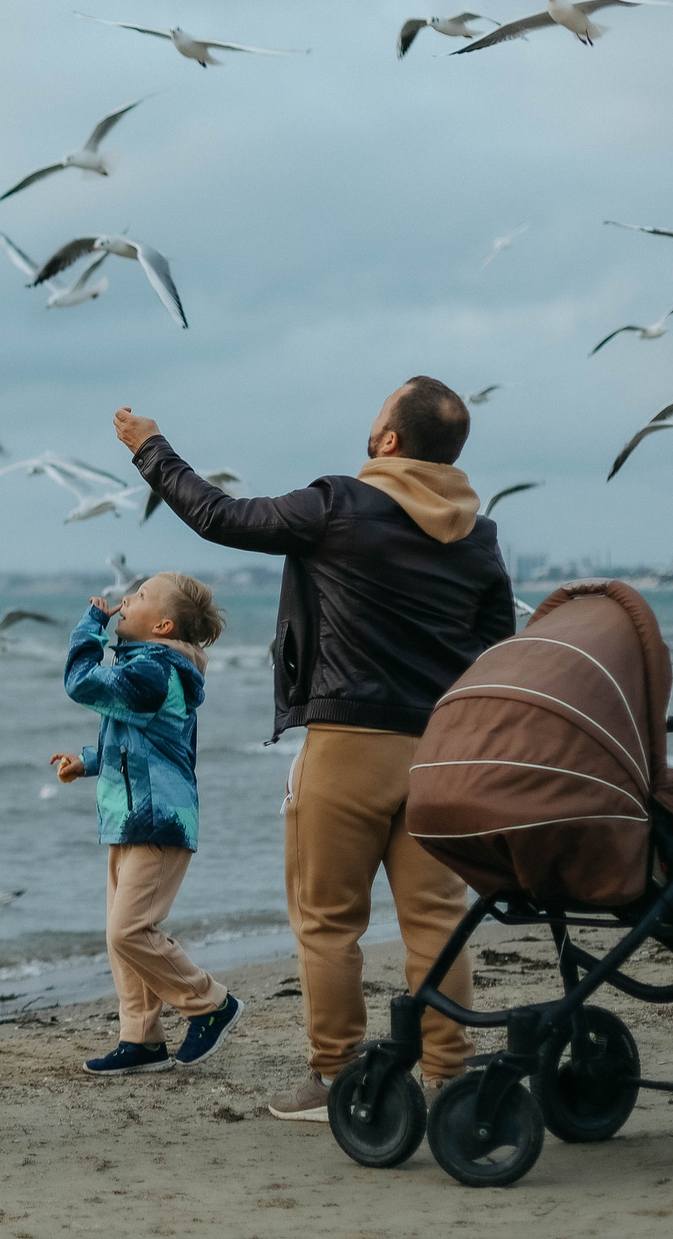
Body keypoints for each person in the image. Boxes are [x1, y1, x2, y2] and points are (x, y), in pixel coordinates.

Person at [115, 378, 515, 1122]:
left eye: (379, 412)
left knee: (328, 921)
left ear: (390, 440)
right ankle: (450, 1078)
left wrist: (150, 448)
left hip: (349, 745)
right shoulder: (478, 534)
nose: (371, 422)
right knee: (435, 919)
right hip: (441, 748)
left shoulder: (339, 505)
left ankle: (336, 1076)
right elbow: (499, 648)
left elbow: (219, 515)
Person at [52, 571, 247, 1075]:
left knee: (129, 931)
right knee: (121, 936)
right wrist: (88, 761)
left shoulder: (157, 671)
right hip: (128, 817)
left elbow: (81, 682)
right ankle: (141, 1038)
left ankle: (210, 1003)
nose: (122, 600)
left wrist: (90, 627)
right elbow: (142, 739)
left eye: (137, 596)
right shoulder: (147, 670)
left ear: (161, 625)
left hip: (159, 821)